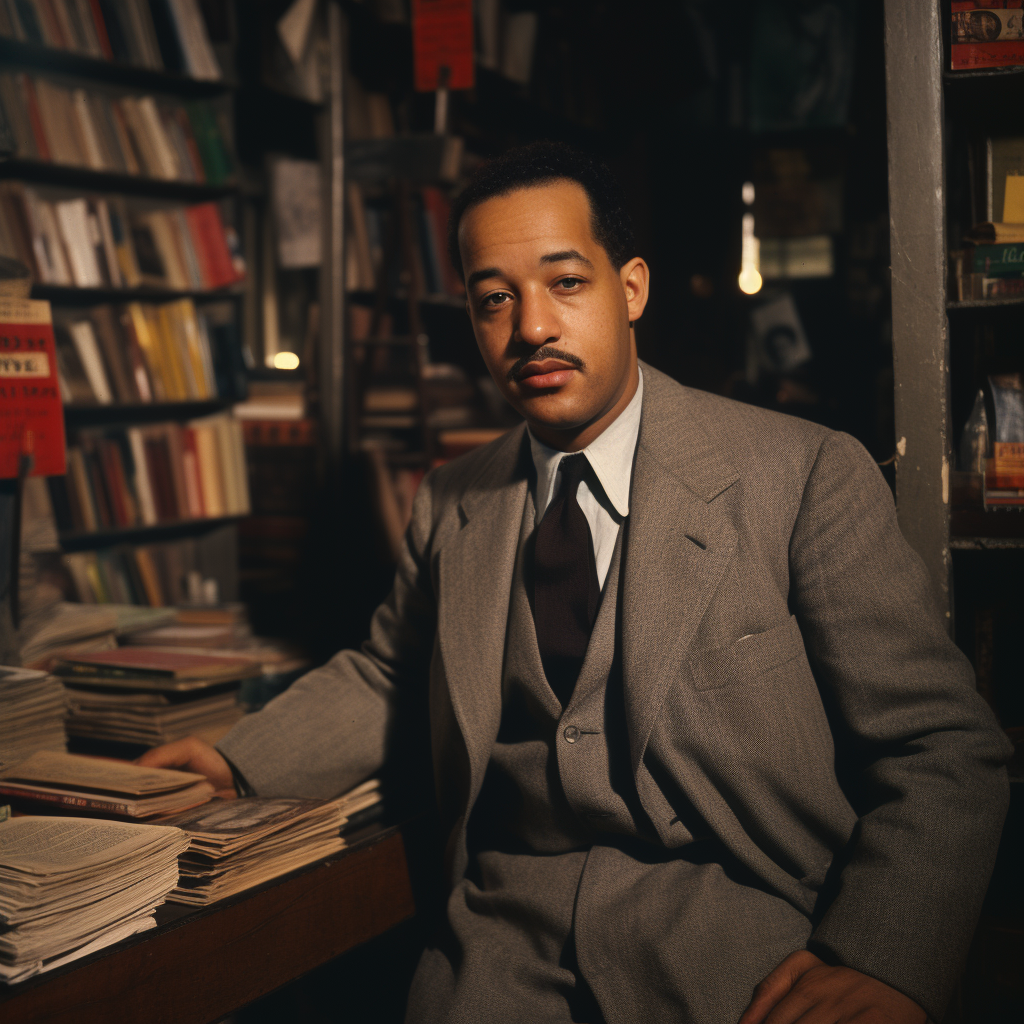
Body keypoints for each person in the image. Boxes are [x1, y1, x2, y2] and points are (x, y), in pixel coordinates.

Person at [140, 142, 1011, 1024]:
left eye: (566, 284)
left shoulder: (804, 473)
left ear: (630, 289)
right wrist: (237, 760)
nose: (531, 329)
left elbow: (941, 748)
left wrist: (884, 960)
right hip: (496, 953)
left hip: (746, 948)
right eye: (494, 300)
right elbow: (390, 674)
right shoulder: (451, 502)